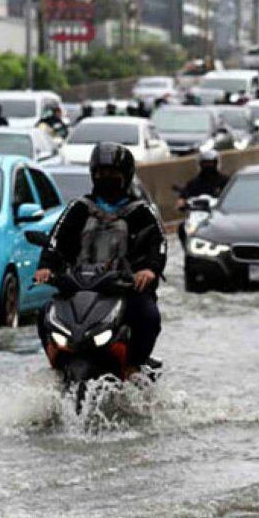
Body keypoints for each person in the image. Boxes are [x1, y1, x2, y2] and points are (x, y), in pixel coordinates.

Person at [33, 142, 167, 373]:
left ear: (125, 176)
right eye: (101, 173)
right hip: (79, 287)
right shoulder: (79, 208)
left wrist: (149, 270)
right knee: (45, 313)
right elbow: (56, 240)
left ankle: (134, 366)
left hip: (125, 288)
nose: (106, 178)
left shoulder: (142, 211)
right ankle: (56, 362)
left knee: (148, 316)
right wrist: (46, 267)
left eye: (112, 173)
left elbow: (159, 244)